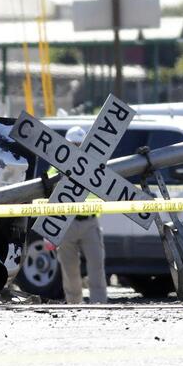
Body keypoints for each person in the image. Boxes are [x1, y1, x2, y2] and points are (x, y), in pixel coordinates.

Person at [54, 125, 108, 304]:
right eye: (73, 144)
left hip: (89, 221)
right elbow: (50, 190)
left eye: (79, 144)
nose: (76, 147)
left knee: (96, 267)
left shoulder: (94, 165)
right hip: (67, 222)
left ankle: (98, 303)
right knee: (69, 269)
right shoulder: (57, 165)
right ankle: (74, 304)